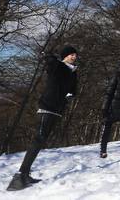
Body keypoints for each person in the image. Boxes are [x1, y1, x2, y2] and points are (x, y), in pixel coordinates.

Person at [7, 45, 79, 191]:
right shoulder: (58, 66)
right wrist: (49, 56)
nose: (74, 56)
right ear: (64, 56)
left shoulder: (73, 72)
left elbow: (73, 90)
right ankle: (20, 176)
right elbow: (50, 63)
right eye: (71, 54)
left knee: (41, 141)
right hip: (47, 107)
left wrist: (69, 96)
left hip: (57, 109)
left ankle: (25, 174)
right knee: (38, 139)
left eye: (75, 54)